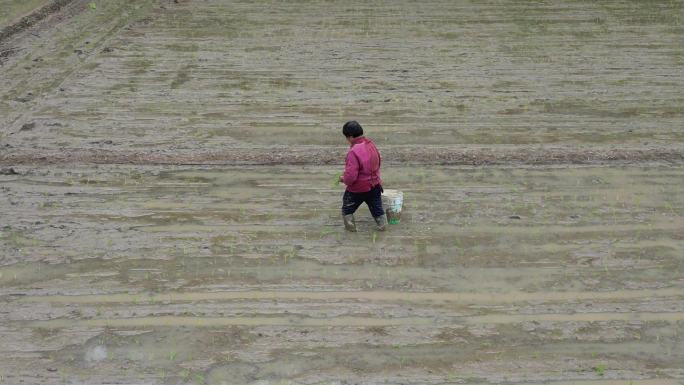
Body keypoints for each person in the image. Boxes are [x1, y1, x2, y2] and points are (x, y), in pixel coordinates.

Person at [339, 120, 386, 232]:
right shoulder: (371, 145)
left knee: (347, 209)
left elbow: (351, 176)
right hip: (374, 186)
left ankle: (351, 229)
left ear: (350, 137)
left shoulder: (353, 152)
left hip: (357, 189)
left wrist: (343, 179)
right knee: (377, 210)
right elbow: (378, 163)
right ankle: (383, 226)